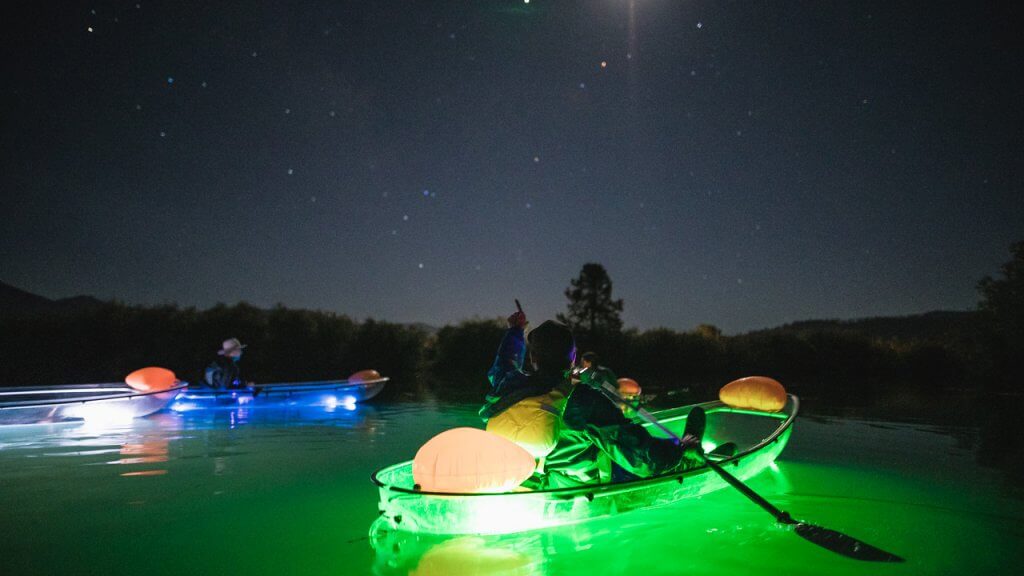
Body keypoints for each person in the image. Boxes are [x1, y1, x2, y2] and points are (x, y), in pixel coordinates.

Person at [480, 309, 705, 489]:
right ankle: (688, 458)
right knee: (628, 458)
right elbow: (639, 456)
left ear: (532, 357)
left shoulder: (508, 385)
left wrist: (515, 331)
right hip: (575, 490)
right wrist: (678, 449)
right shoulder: (585, 401)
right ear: (573, 359)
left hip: (526, 482)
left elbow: (503, 364)